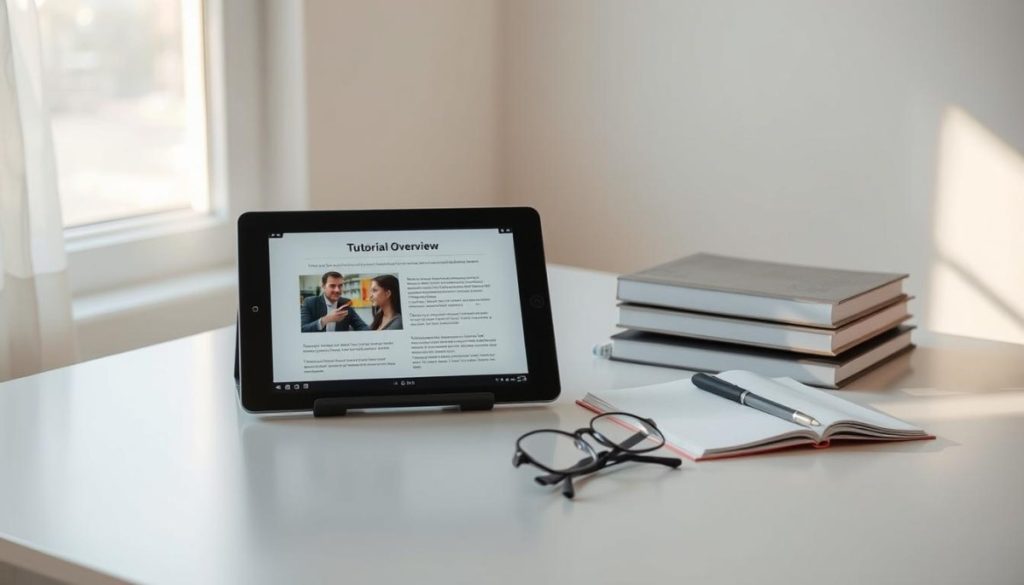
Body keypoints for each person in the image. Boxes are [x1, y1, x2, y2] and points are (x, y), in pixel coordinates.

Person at [300, 272, 370, 332]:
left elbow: (362, 326)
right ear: (323, 286)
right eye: (332, 286)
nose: (337, 290)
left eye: (340, 286)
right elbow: (303, 329)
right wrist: (326, 319)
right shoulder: (310, 302)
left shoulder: (346, 303)